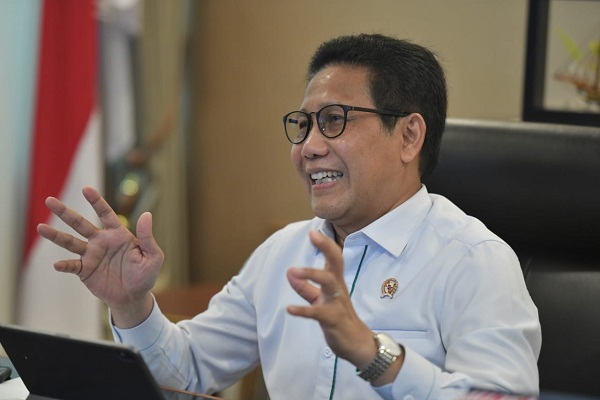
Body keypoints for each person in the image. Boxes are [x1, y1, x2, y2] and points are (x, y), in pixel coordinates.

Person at [38, 33, 541, 400]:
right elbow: (185, 374)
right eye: (303, 125)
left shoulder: (474, 261)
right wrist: (131, 304)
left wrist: (375, 356)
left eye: (334, 121)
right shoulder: (284, 252)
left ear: (409, 136)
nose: (309, 147)